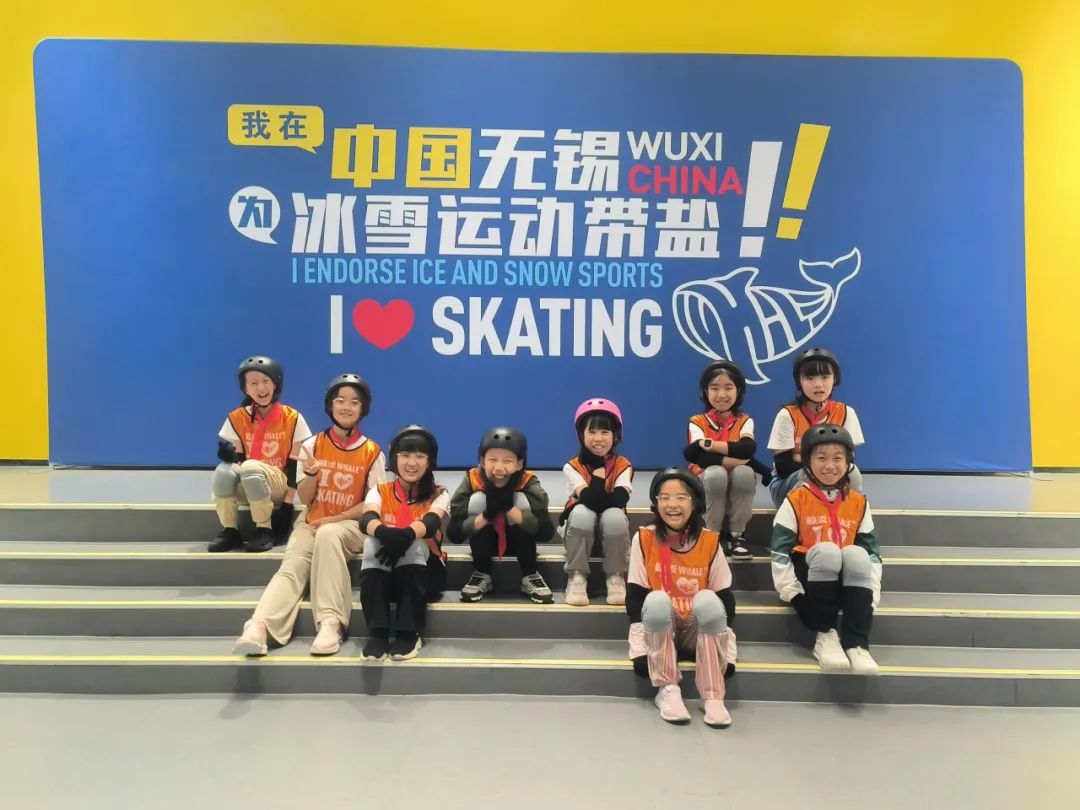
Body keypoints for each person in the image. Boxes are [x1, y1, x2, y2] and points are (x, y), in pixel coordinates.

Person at [232, 373, 384, 656]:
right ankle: (259, 625)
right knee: (293, 566)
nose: (346, 407)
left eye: (354, 402)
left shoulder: (372, 451)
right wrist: (312, 473)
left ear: (363, 408)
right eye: (340, 401)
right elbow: (304, 498)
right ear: (330, 405)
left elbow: (371, 504)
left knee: (329, 534)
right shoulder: (313, 445)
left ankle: (331, 623)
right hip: (312, 521)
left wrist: (333, 520)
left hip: (350, 526)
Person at [626, 467, 737, 727]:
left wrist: (728, 654)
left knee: (708, 599)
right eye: (664, 497)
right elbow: (636, 597)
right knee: (655, 600)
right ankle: (667, 688)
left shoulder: (710, 541)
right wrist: (641, 651)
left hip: (696, 629)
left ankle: (713, 696)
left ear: (695, 503)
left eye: (681, 497)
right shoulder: (644, 537)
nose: (672, 505)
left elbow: (725, 600)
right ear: (655, 504)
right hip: (662, 628)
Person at [770, 424, 883, 674]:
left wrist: (871, 596)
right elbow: (779, 552)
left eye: (838, 458)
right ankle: (826, 635)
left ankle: (856, 643)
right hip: (811, 579)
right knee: (828, 552)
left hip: (847, 580)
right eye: (821, 458)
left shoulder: (859, 502)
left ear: (849, 463)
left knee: (856, 554)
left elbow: (873, 554)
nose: (829, 466)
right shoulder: (795, 499)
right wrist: (792, 593)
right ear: (807, 462)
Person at [358, 424, 449, 661]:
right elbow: (367, 519)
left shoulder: (439, 493)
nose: (412, 463)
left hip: (426, 575)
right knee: (371, 543)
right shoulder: (380, 490)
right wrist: (385, 534)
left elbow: (430, 523)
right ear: (394, 459)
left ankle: (409, 633)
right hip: (387, 574)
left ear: (429, 462)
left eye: (420, 456)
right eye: (405, 455)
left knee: (415, 544)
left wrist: (404, 536)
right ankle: (378, 633)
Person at [208, 355, 311, 553]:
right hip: (249, 482)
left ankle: (264, 528)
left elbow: (295, 465)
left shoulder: (292, 417)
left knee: (250, 467)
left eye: (265, 381)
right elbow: (237, 460)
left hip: (277, 485)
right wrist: (229, 457)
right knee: (223, 471)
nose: (260, 388)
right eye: (253, 383)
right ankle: (230, 530)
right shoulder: (237, 417)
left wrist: (288, 504)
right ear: (245, 388)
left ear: (276, 384)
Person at [447, 427, 555, 604]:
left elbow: (546, 532)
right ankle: (482, 572)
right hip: (485, 541)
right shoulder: (472, 479)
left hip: (519, 541)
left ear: (519, 464)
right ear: (482, 461)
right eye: (492, 460)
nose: (499, 468)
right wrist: (487, 515)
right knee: (477, 500)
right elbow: (455, 533)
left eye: (507, 461)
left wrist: (509, 508)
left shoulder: (528, 481)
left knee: (521, 500)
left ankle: (530, 573)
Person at [682, 360, 760, 561]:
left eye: (728, 387)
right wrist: (737, 459)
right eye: (715, 388)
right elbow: (701, 458)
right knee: (716, 473)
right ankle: (712, 534)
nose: (722, 394)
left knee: (745, 473)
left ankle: (737, 535)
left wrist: (713, 446)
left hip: (735, 478)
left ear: (738, 391)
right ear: (705, 391)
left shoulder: (745, 420)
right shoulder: (697, 421)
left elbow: (747, 449)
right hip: (705, 478)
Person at [767, 347, 865, 506]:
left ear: (835, 379)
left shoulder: (846, 413)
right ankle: (798, 517)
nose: (818, 385)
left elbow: (847, 460)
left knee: (853, 473)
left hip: (831, 478)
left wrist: (801, 456)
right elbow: (783, 466)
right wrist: (825, 461)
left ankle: (851, 514)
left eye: (825, 377)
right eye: (810, 378)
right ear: (799, 382)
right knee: (809, 474)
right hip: (787, 483)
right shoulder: (787, 415)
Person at [560, 398, 634, 606]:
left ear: (616, 435)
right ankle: (577, 576)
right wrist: (600, 471)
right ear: (581, 435)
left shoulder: (623, 465)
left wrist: (598, 494)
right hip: (579, 531)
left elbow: (620, 498)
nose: (598, 438)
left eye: (605, 432)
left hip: (610, 532)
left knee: (614, 516)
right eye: (591, 432)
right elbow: (591, 501)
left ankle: (615, 576)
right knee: (582, 513)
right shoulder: (572, 467)